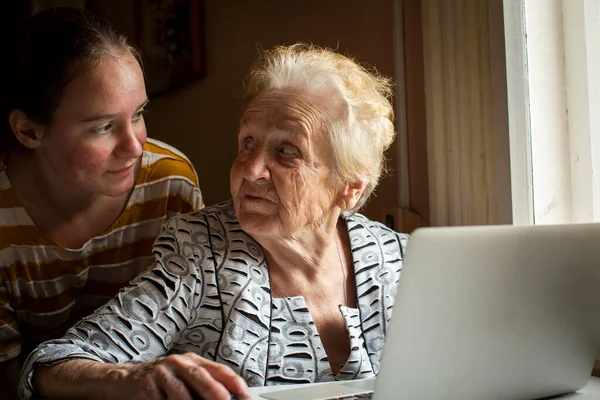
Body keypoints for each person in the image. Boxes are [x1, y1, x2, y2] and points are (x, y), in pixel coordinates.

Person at [20, 43, 408, 400]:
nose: (251, 169)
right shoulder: (201, 255)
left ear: (349, 189)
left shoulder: (400, 260)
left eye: (286, 151)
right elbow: (53, 363)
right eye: (247, 144)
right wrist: (131, 377)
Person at [0, 7, 203, 398]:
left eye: (139, 114)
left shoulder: (171, 185)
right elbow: (6, 374)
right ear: (28, 131)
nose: (134, 146)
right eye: (103, 127)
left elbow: (190, 327)